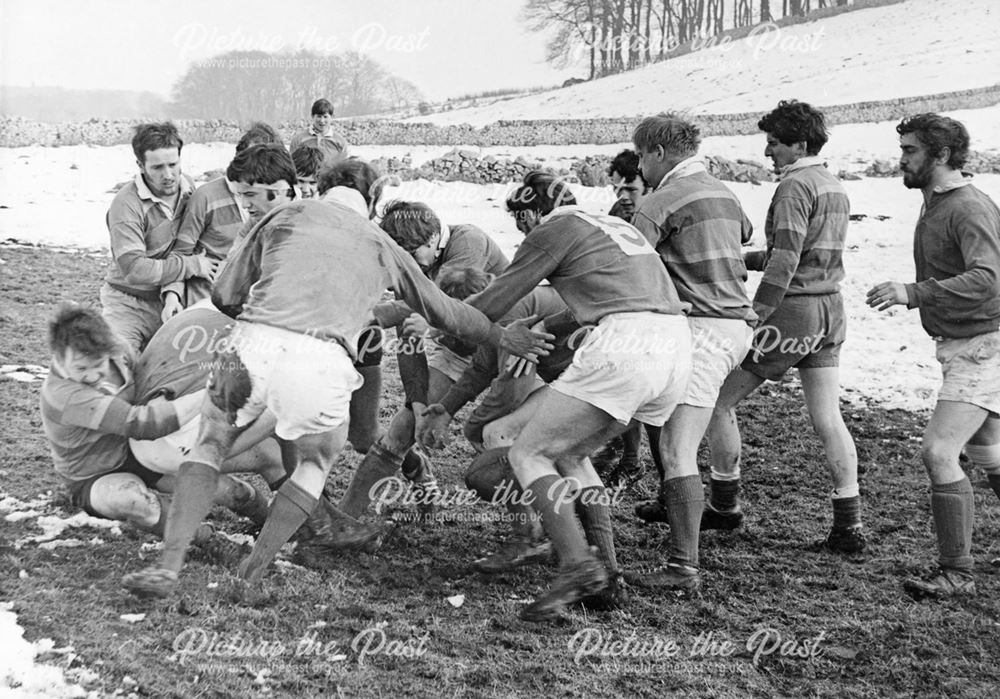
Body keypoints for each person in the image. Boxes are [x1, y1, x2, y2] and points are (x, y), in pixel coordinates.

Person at [121, 193, 552, 599]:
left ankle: (169, 565)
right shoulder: (384, 248)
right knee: (314, 462)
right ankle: (253, 571)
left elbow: (224, 295)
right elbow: (449, 313)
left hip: (253, 341)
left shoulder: (284, 216)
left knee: (209, 445)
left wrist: (268, 320)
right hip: (321, 360)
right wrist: (500, 336)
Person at [452, 171, 693, 621]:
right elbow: (612, 297)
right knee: (574, 454)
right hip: (673, 348)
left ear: (529, 211)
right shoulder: (608, 226)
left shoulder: (553, 228)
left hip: (626, 345)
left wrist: (430, 321)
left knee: (528, 454)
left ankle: (576, 567)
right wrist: (547, 327)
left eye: (521, 221)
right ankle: (607, 574)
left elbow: (491, 301)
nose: (523, 232)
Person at [704, 100, 864, 554]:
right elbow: (807, 253)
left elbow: (788, 257)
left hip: (793, 311)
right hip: (830, 308)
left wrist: (756, 310)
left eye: (774, 142)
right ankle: (848, 524)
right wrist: (745, 258)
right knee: (828, 418)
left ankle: (724, 504)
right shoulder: (832, 183)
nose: (768, 151)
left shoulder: (793, 187)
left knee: (717, 400)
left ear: (798, 143)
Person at [867, 113, 1000, 598]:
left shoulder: (968, 207)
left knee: (939, 452)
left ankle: (957, 573)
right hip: (967, 345)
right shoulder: (939, 202)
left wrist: (914, 292)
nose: (901, 159)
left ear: (940, 155)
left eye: (910, 151)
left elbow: (990, 279)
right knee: (989, 451)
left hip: (983, 347)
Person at [626, 113, 757, 592]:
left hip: (701, 330)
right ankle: (711, 514)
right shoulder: (725, 192)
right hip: (735, 327)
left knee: (676, 448)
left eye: (642, 156)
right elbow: (740, 241)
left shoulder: (658, 202)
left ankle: (683, 567)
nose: (641, 167)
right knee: (673, 426)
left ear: (659, 153)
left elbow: (632, 267)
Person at [39, 305, 276, 539]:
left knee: (233, 491)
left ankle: (276, 527)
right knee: (132, 501)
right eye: (80, 368)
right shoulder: (64, 396)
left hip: (141, 453)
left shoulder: (118, 351)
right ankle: (205, 540)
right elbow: (142, 424)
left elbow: (153, 379)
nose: (91, 376)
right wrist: (208, 394)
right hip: (95, 476)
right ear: (58, 356)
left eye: (97, 365)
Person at [336, 201, 510, 520]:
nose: (408, 268)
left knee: (507, 440)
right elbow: (409, 341)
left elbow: (459, 310)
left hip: (511, 345)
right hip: (463, 349)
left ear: (432, 240)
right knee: (402, 426)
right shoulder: (411, 263)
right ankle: (344, 520)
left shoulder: (467, 243)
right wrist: (416, 401)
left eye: (412, 258)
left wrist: (392, 319)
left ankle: (539, 531)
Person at [101, 122, 217, 354]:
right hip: (129, 302)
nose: (168, 175)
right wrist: (192, 265)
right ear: (140, 165)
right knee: (119, 366)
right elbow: (135, 270)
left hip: (171, 296)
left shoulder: (190, 189)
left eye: (173, 165)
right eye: (157, 167)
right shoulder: (126, 205)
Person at [169, 123, 284, 309]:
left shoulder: (276, 201)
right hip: (205, 303)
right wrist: (172, 296)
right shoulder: (205, 197)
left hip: (252, 305)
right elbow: (180, 254)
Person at [601, 149, 662, 488]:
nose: (623, 198)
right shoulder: (615, 215)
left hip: (665, 317)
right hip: (626, 313)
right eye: (617, 190)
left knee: (657, 401)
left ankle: (669, 477)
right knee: (627, 390)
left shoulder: (662, 213)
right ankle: (630, 461)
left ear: (649, 186)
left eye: (631, 190)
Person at [289, 98, 349, 167]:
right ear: (312, 116)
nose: (322, 120)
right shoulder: (298, 140)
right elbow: (292, 165)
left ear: (332, 117)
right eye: (319, 116)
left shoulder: (340, 141)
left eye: (325, 117)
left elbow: (344, 167)